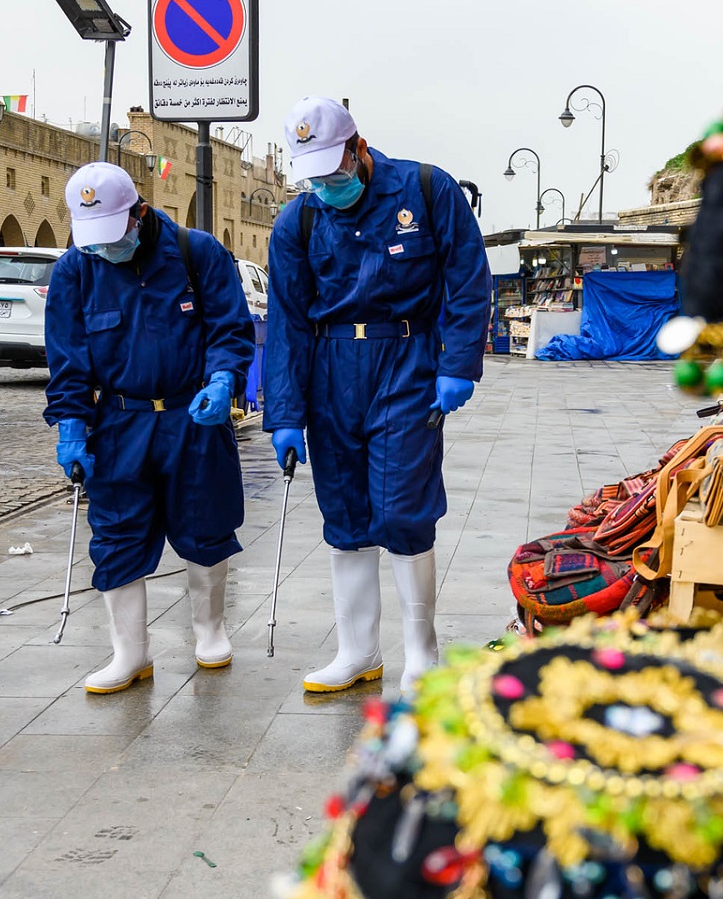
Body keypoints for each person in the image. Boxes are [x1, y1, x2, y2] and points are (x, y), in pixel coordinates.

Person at [265, 97, 493, 695]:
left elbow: (469, 277)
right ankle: (357, 651)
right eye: (313, 178)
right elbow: (287, 322)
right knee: (344, 514)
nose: (326, 186)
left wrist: (459, 364)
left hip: (407, 362)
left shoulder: (427, 189)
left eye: (334, 173)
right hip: (330, 369)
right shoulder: (297, 222)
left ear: (359, 149)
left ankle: (422, 652)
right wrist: (283, 413)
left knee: (400, 509)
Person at [44, 162, 255, 694]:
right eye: (92, 240)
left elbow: (231, 328)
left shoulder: (196, 252)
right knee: (116, 534)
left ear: (139, 213)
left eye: (112, 237)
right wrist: (71, 425)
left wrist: (223, 378)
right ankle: (129, 653)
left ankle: (209, 631)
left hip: (192, 416)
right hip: (119, 421)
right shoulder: (75, 269)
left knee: (205, 525)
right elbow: (67, 358)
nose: (103, 250)